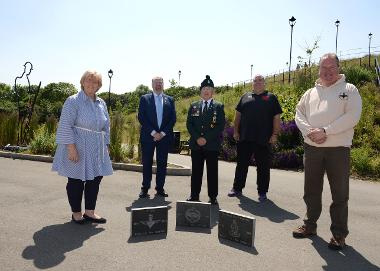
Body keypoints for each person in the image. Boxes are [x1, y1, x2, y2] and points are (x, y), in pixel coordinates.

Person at [292, 53, 362, 250]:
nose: (328, 71)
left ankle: (338, 234)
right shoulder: (309, 93)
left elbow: (353, 116)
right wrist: (310, 132)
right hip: (312, 148)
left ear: (339, 68)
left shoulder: (350, 90)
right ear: (318, 69)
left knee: (339, 194)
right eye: (324, 67)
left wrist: (326, 131)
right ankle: (309, 225)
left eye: (332, 67)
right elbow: (299, 114)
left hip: (338, 150)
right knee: (311, 190)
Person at [52, 70, 113, 224]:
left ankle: (90, 212)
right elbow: (65, 125)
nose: (91, 84)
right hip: (77, 145)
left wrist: (106, 145)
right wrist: (71, 148)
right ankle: (76, 213)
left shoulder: (101, 103)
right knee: (76, 180)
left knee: (95, 179)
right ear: (82, 82)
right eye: (88, 80)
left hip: (97, 146)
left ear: (99, 86)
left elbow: (107, 126)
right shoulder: (73, 101)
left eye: (95, 82)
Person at [227, 74, 282, 202]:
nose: (257, 82)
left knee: (263, 167)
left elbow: (276, 118)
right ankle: (237, 188)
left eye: (260, 80)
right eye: (255, 81)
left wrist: (275, 134)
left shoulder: (271, 98)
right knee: (241, 165)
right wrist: (235, 131)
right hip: (245, 138)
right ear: (252, 83)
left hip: (264, 139)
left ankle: (262, 192)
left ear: (264, 83)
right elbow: (238, 115)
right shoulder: (245, 97)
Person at [186, 75, 226, 204]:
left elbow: (220, 125)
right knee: (196, 172)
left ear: (213, 91)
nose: (206, 91)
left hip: (211, 145)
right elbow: (189, 124)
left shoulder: (218, 106)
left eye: (209, 88)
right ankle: (194, 195)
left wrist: (206, 138)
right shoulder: (194, 105)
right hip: (196, 145)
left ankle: (213, 197)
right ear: (200, 91)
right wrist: (198, 138)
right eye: (204, 88)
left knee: (212, 172)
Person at [137, 77, 176, 198]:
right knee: (147, 163)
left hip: (164, 137)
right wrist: (154, 133)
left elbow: (172, 119)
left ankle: (160, 188)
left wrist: (162, 133)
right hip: (149, 137)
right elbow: (141, 117)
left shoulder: (170, 100)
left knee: (162, 163)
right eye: (156, 83)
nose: (158, 85)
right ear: (152, 85)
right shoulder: (145, 99)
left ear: (163, 85)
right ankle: (145, 188)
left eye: (160, 83)